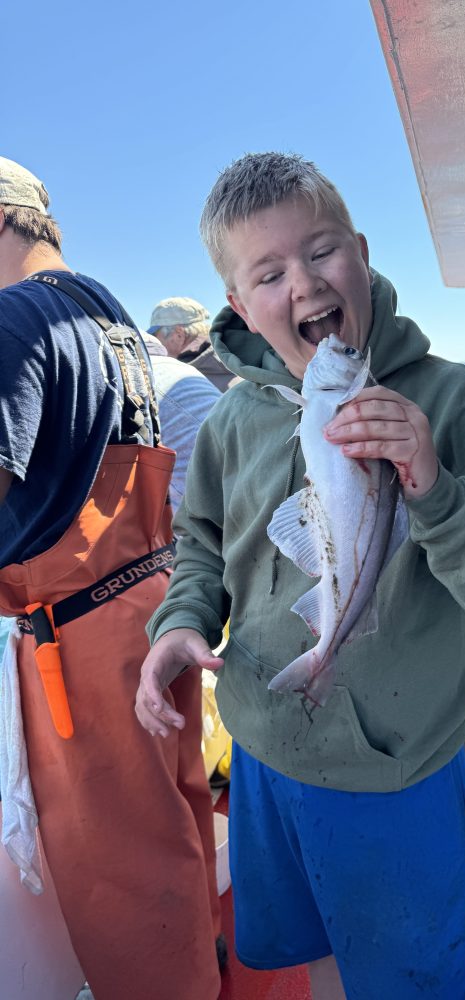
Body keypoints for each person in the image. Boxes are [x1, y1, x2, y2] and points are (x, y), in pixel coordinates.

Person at [134, 151, 465, 1000]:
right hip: (265, 748)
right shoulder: (232, 417)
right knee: (325, 960)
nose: (303, 285)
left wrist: (436, 488)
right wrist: (181, 623)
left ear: (363, 253)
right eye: (268, 272)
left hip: (395, 775)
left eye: (322, 251)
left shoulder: (455, 403)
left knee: (412, 984)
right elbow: (200, 543)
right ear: (239, 304)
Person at [0, 156, 222, 1000]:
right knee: (176, 828)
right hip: (148, 605)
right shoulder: (106, 310)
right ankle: (201, 975)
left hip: (79, 647)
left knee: (120, 876)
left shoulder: (11, 320)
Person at [141, 332, 222, 508]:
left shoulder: (139, 376)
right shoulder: (183, 368)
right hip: (242, 494)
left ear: (178, 334)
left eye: (157, 332)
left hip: (197, 509)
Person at [148, 295, 235, 391]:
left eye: (155, 336)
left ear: (178, 335)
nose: (156, 343)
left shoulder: (184, 377)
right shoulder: (235, 356)